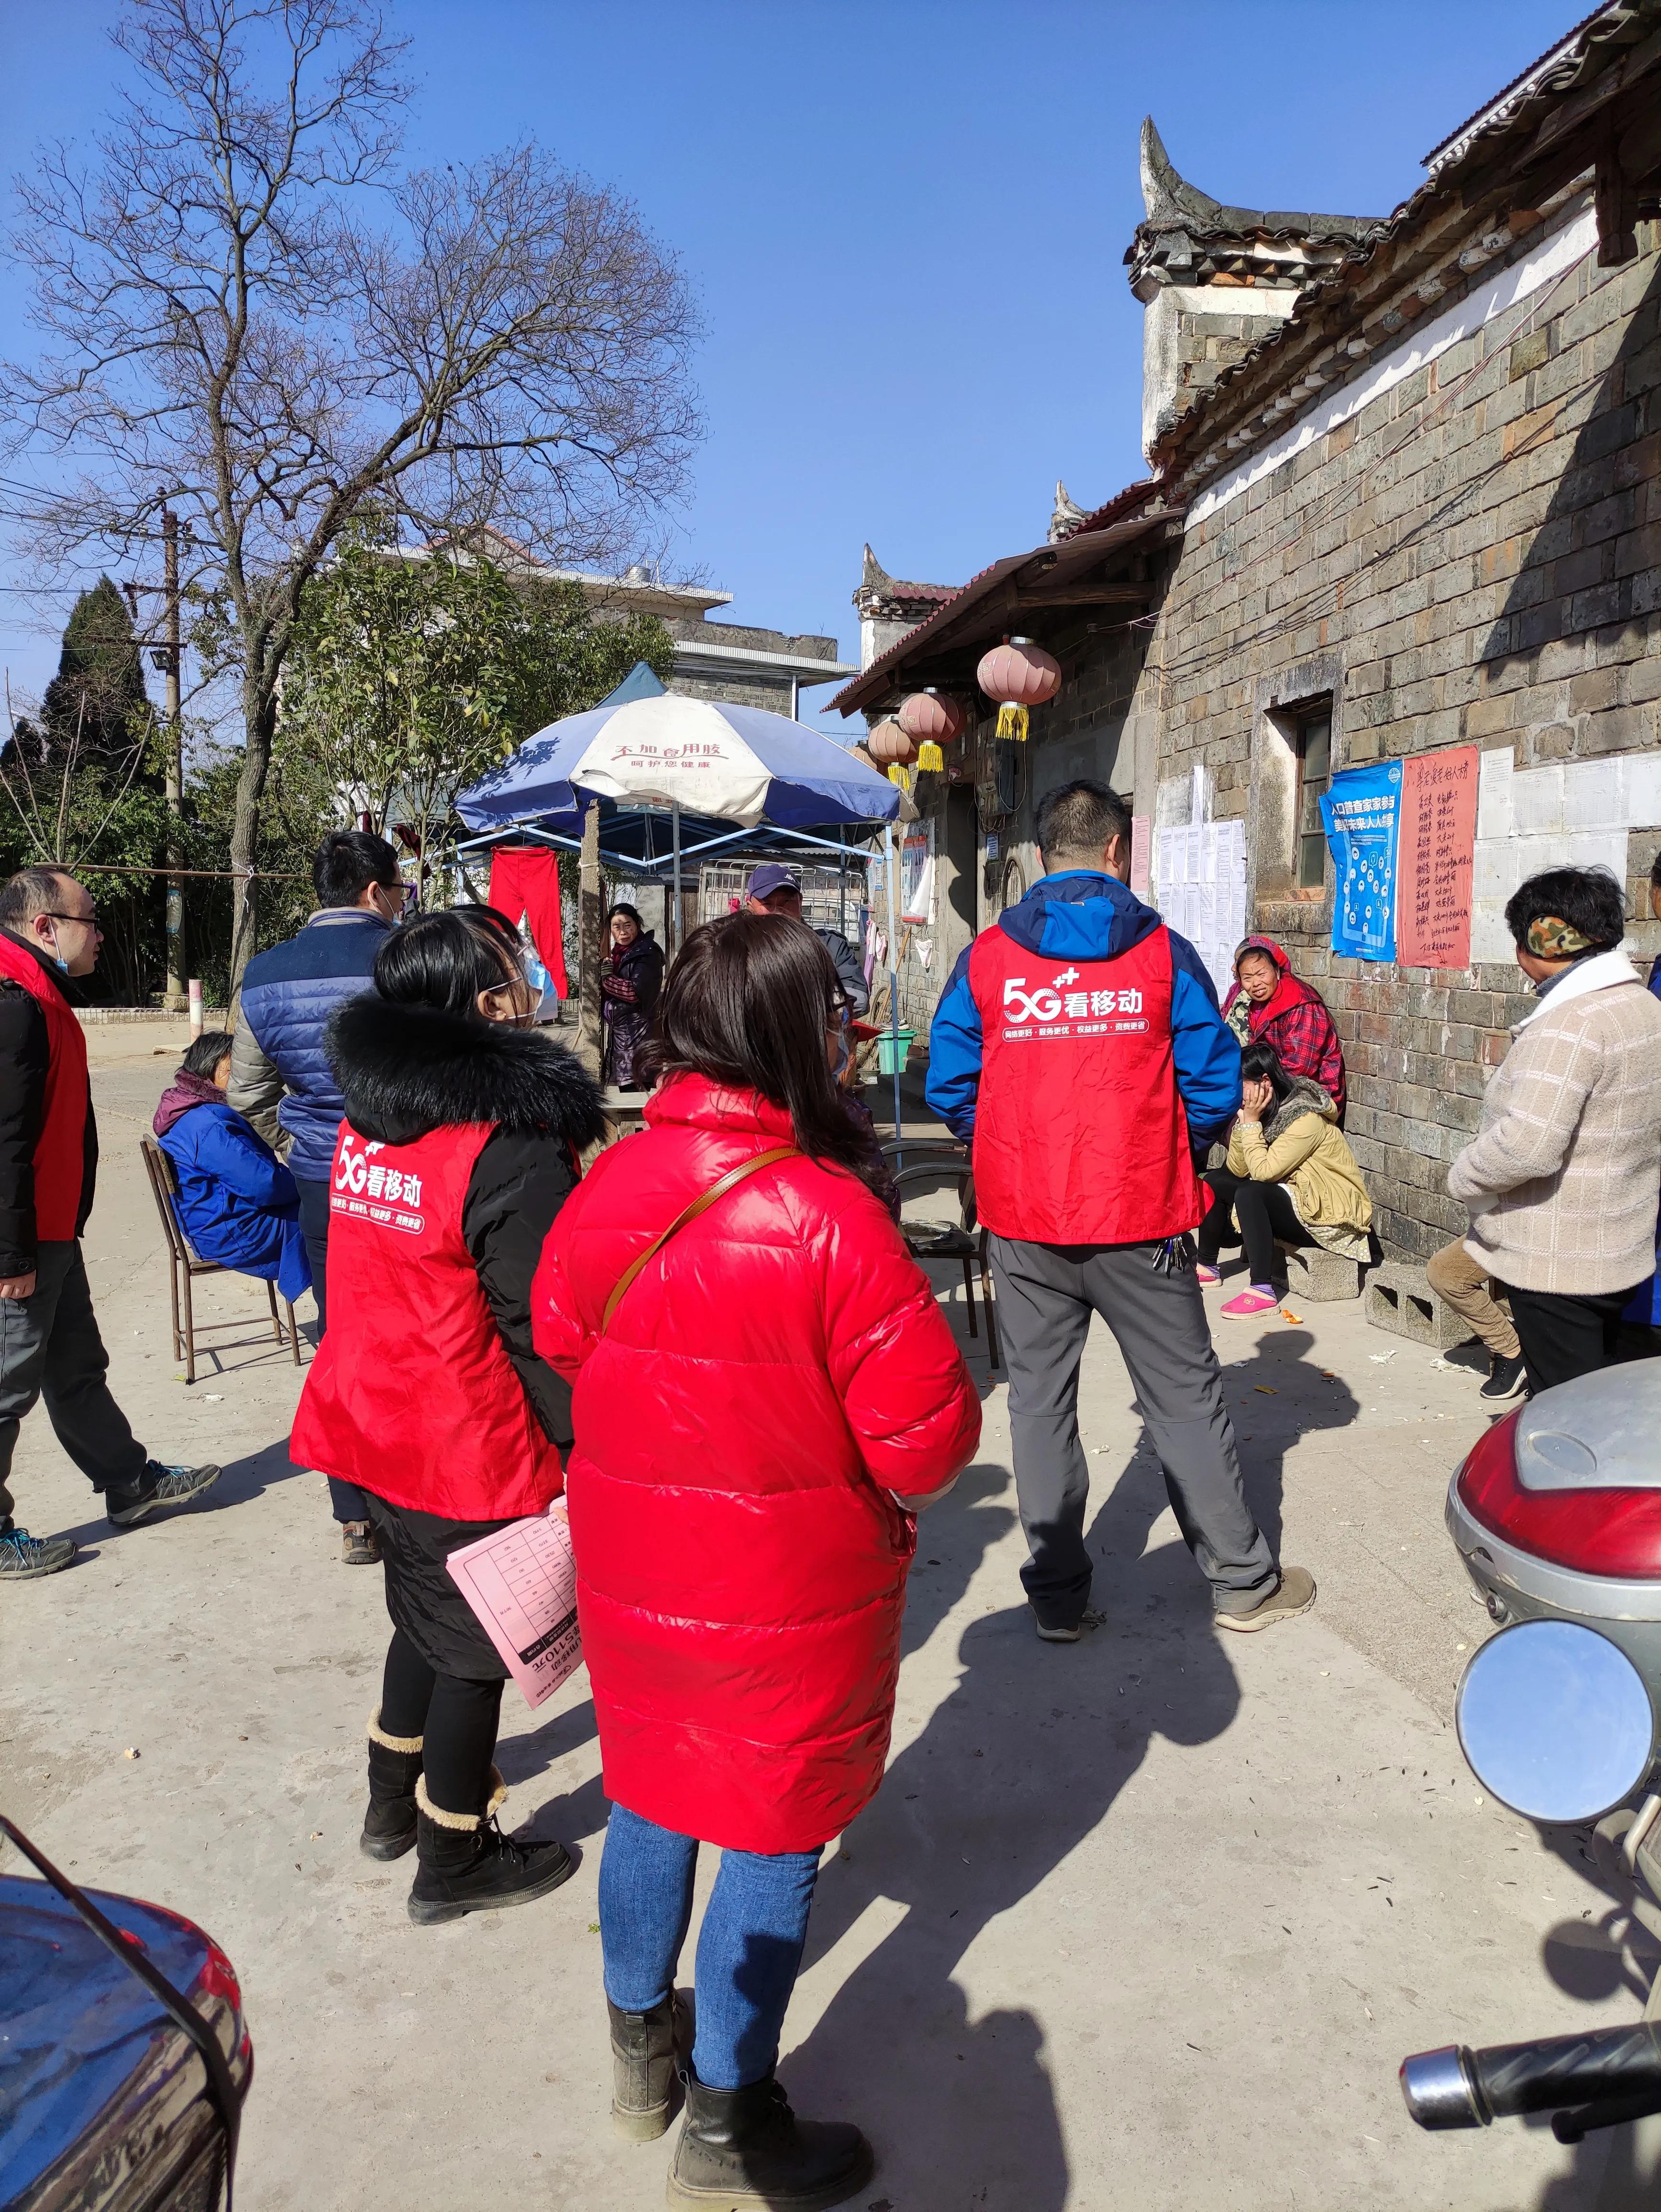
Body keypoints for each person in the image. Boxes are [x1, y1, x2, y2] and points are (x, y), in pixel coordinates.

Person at [532, 912, 978, 2211]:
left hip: (636, 1563)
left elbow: (562, 1335)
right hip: (788, 1589)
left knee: (654, 1793)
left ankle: (639, 2057)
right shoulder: (828, 1217)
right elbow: (929, 1443)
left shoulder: (609, 1178)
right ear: (797, 1032)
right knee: (772, 1838)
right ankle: (729, 2119)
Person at [927, 778, 1314, 1639]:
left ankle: (1057, 1599)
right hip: (1140, 1213)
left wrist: (1003, 1137)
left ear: (1036, 857)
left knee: (1037, 1404)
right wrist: (1175, 1143)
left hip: (1023, 1220)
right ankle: (1243, 1582)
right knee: (1182, 1398)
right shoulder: (1162, 953)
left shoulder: (988, 959)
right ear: (1116, 852)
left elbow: (950, 1082)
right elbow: (1213, 1084)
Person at [288, 905, 603, 1925]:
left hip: (369, 1411)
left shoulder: (363, 1115)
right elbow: (537, 1322)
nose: (531, 990)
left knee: (421, 1608)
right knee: (477, 1645)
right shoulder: (506, 1144)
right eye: (514, 974)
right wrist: (582, 1441)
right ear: (481, 1004)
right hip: (459, 1428)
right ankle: (453, 1854)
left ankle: (389, 1804)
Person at [0, 867, 220, 1582]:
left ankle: (129, 1484)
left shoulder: (36, 989)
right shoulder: (13, 999)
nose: (98, 934)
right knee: (7, 1387)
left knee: (76, 1370)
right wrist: (11, 1254)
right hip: (25, 1239)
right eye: (89, 921)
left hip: (54, 1228)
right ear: (45, 927)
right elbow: (4, 1139)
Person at [230, 828, 404, 1564]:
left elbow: (245, 1094)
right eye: (397, 893)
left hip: (322, 1182)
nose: (400, 906)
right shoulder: (405, 961)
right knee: (419, 1333)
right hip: (406, 1177)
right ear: (374, 892)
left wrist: (302, 1137)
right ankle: (414, 1498)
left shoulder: (262, 974)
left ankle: (353, 1513)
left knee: (342, 1339)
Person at [1448, 866, 1661, 1394]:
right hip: (1618, 1247)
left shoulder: (1570, 1024)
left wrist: (1461, 1177)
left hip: (1558, 1260)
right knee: (1598, 1398)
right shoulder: (1642, 1006)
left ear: (1537, 940)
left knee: (1564, 1414)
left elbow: (1527, 1147)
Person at [1194, 1040, 1371, 1317]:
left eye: (1241, 1084)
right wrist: (1246, 1123)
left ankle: (1262, 1291)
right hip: (1297, 1197)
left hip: (1330, 1214)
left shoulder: (1306, 1119)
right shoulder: (1264, 1112)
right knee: (1215, 1181)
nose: (1236, 1092)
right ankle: (1207, 1266)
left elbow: (1264, 1173)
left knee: (1252, 1192)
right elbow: (1238, 1169)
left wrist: (1251, 1123)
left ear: (1265, 1082)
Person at [153, 1031, 312, 1307]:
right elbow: (265, 1186)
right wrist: (309, 1184)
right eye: (234, 1070)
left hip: (210, 1222)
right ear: (210, 1068)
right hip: (233, 1233)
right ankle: (340, 1319)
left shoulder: (182, 1105)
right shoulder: (208, 1123)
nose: (242, 1080)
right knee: (330, 1220)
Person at [1221, 935, 1346, 1118]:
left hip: (1313, 1096)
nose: (1256, 984)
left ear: (1277, 972)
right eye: (1247, 978)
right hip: (1273, 1084)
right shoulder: (1257, 1003)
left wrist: (1261, 1095)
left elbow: (1300, 1069)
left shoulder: (1302, 1006)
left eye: (1262, 975)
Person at [745, 861, 869, 1015]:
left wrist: (796, 1006)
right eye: (767, 903)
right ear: (750, 905)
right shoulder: (739, 948)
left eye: (787, 902)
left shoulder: (830, 946)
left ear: (800, 901)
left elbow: (859, 999)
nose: (778, 911)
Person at [1424, 1241, 1527, 1401]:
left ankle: (1513, 1352)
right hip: (1508, 1224)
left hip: (1549, 1228)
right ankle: (1510, 1347)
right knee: (1445, 1272)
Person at [599, 903, 663, 1091]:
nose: (623, 932)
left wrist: (607, 979)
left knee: (636, 1091)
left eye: (628, 925)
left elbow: (634, 993)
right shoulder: (620, 954)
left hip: (638, 1035)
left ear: (637, 924)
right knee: (630, 1090)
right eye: (616, 927)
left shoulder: (646, 954)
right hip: (625, 1037)